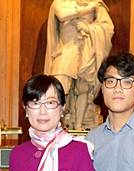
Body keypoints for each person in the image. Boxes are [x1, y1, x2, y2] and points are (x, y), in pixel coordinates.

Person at [44, 0, 114, 130]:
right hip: (65, 52)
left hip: (86, 51)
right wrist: (87, 9)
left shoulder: (96, 4)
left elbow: (108, 28)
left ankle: (78, 126)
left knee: (83, 89)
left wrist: (88, 28)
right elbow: (61, 14)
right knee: (58, 87)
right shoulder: (61, 2)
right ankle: (55, 125)